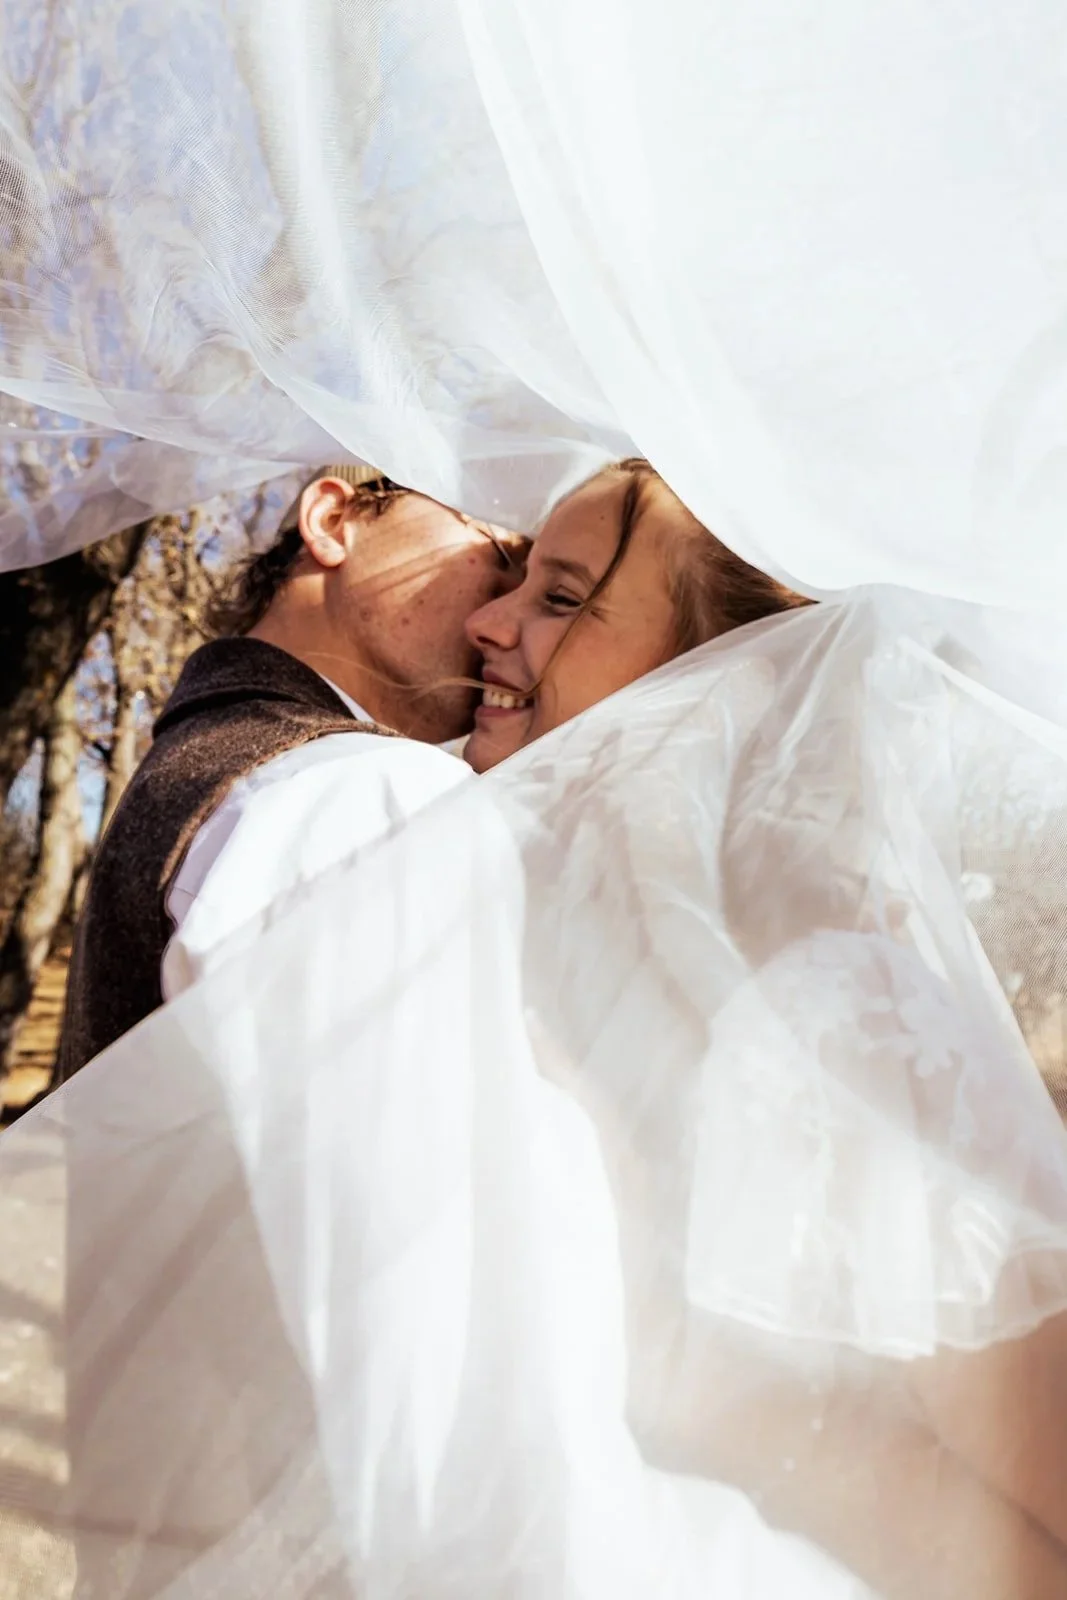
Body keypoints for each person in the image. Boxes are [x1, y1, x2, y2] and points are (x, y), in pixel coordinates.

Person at [56, 464, 527, 1080]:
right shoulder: (370, 787)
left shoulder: (219, 759)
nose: (509, 622)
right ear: (334, 521)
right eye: (500, 559)